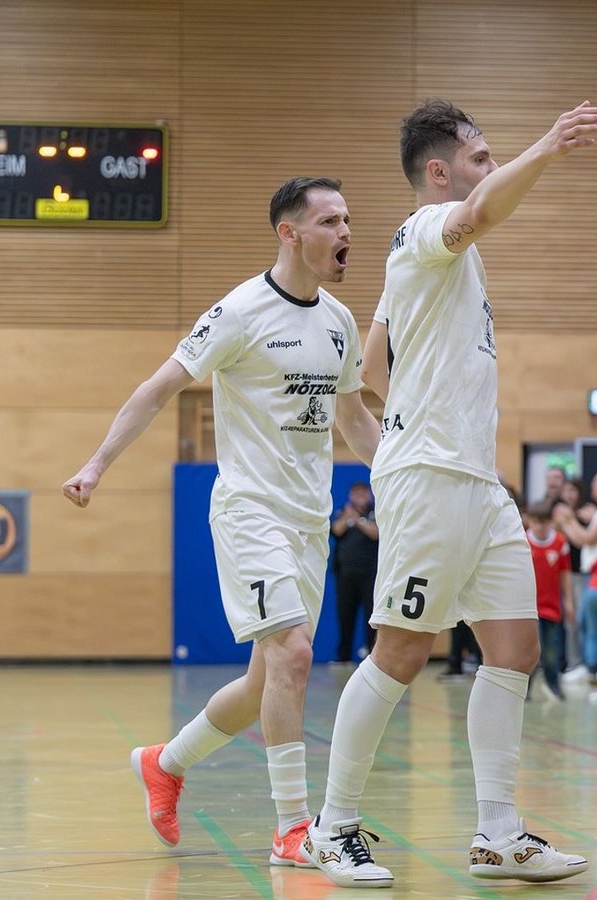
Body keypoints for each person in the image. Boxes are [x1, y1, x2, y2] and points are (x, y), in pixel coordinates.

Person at [304, 99, 597, 888]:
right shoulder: (423, 230)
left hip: (473, 480)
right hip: (433, 479)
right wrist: (547, 144)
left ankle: (498, 833)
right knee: (401, 652)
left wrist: (386, 447)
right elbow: (477, 210)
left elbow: (371, 374)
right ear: (439, 171)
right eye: (479, 155)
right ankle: (332, 829)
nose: (489, 165)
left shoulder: (437, 269)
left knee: (515, 648)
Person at [62, 177, 379, 865]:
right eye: (330, 221)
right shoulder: (239, 312)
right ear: (289, 234)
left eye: (349, 219)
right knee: (295, 653)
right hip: (249, 511)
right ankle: (293, 828)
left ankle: (164, 763)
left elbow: (353, 418)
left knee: (267, 683)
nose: (346, 232)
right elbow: (156, 390)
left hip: (306, 519)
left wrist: (401, 479)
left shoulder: (339, 321)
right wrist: (95, 465)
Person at [524, 500, 572, 701]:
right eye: (536, 522)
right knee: (529, 651)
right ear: (529, 522)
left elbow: (565, 573)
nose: (540, 527)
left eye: (544, 522)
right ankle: (525, 688)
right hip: (528, 607)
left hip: (552, 608)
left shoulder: (560, 543)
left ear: (551, 522)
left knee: (552, 651)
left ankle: (554, 684)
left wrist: (568, 601)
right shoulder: (523, 542)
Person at [331, 482, 380, 664]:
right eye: (356, 493)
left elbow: (376, 533)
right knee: (345, 615)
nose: (359, 496)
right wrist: (347, 517)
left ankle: (372, 655)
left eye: (363, 492)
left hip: (370, 574)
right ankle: (343, 657)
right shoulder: (342, 512)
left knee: (371, 616)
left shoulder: (376, 512)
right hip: (345, 574)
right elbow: (336, 530)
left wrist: (358, 520)